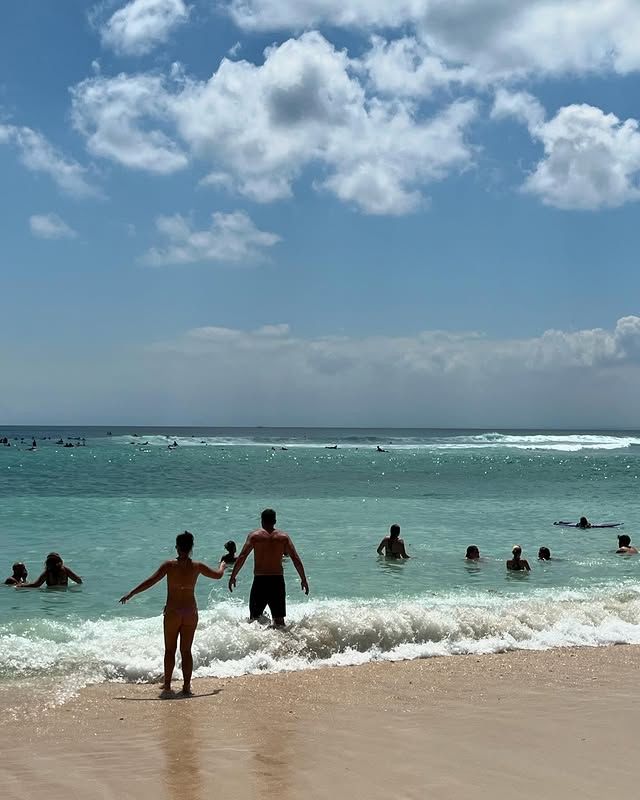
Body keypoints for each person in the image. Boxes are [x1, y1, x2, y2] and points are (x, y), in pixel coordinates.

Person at [120, 531, 226, 695]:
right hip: (190, 612)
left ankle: (168, 685)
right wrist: (223, 566)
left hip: (173, 612)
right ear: (191, 547)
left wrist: (132, 593)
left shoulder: (169, 565)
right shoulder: (197, 566)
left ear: (177, 547)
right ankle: (186, 686)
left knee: (170, 650)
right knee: (186, 651)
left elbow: (151, 581)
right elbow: (218, 576)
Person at [228, 509, 309, 627]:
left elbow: (242, 557)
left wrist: (233, 576)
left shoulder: (254, 536)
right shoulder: (283, 537)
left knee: (254, 620)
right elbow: (295, 558)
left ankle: (258, 644)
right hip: (277, 581)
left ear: (261, 521)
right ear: (275, 521)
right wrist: (303, 579)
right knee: (280, 621)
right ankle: (283, 644)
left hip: (260, 581)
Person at [18, 552, 82, 587]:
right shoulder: (65, 570)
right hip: (63, 594)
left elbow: (36, 585)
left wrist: (21, 586)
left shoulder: (47, 573)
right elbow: (78, 580)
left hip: (51, 595)